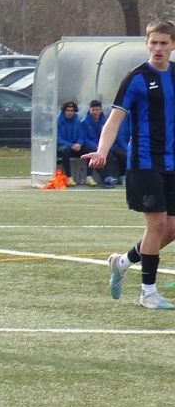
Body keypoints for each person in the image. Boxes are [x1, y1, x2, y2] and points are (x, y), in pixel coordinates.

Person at [95, 19, 175, 309]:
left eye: (164, 42)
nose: (158, 48)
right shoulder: (136, 78)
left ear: (173, 45)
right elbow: (114, 119)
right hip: (144, 162)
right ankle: (148, 293)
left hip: (171, 162)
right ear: (146, 44)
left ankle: (123, 262)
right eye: (153, 42)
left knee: (171, 229)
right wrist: (102, 151)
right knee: (156, 225)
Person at [79, 99, 110, 186]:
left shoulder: (105, 121)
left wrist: (102, 146)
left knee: (109, 152)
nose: (95, 112)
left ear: (101, 110)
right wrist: (97, 146)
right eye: (93, 110)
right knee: (93, 151)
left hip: (100, 146)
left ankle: (111, 176)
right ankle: (96, 177)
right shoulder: (84, 122)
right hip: (87, 146)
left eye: (97, 110)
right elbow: (84, 138)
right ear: (90, 110)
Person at [56, 100, 87, 183]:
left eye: (72, 111)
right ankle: (69, 177)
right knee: (66, 150)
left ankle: (89, 176)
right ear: (64, 111)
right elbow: (58, 138)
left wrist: (79, 143)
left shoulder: (77, 121)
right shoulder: (57, 121)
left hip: (74, 146)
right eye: (68, 110)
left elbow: (81, 135)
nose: (70, 112)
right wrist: (71, 145)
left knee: (90, 149)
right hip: (61, 147)